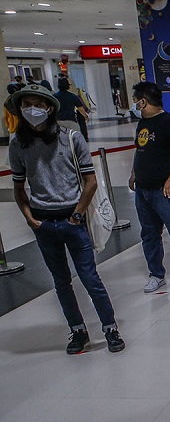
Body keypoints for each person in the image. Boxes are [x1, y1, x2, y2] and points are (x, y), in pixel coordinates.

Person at [9, 83, 125, 354]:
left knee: (89, 277)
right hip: (43, 223)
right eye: (27, 105)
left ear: (49, 107)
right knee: (60, 281)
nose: (32, 110)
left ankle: (110, 328)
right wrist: (29, 218)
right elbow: (18, 186)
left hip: (73, 221)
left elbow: (90, 181)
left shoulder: (71, 138)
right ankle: (77, 330)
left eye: (38, 104)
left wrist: (76, 215)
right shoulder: (18, 144)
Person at [128, 82, 170, 293]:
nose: (134, 105)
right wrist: (134, 173)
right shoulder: (143, 124)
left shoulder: (169, 123)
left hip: (165, 191)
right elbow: (141, 149)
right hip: (143, 190)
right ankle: (156, 273)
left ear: (143, 101)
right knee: (149, 235)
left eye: (135, 100)